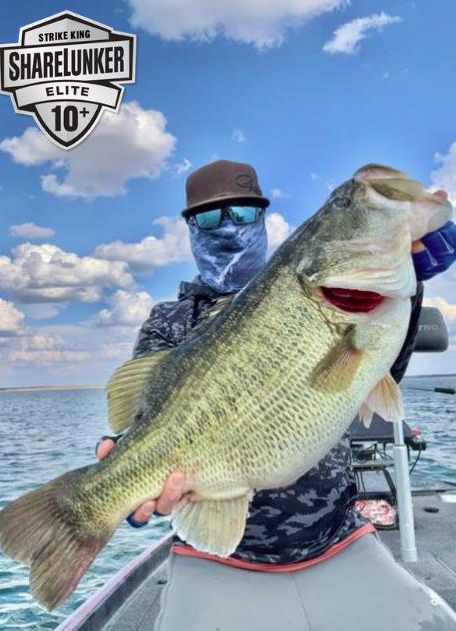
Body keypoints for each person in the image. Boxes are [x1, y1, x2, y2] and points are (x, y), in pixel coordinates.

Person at [97, 160, 456, 630]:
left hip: (337, 536)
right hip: (217, 555)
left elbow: (384, 370)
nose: (229, 227)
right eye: (210, 217)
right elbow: (143, 423)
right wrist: (123, 486)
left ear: (264, 218)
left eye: (244, 212)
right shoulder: (168, 321)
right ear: (190, 229)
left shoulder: (313, 289)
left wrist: (413, 284)